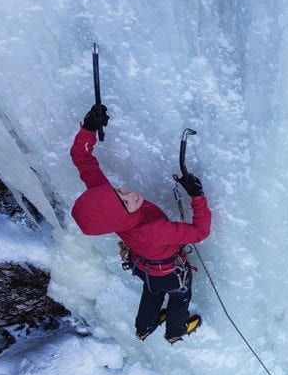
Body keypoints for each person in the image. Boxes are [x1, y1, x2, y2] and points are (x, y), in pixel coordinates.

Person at [70, 104, 212, 344]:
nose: (129, 194)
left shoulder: (107, 207)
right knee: (180, 295)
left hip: (143, 267)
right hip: (169, 272)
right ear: (121, 216)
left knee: (152, 290)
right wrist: (197, 197)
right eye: (125, 202)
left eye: (119, 191)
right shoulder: (153, 231)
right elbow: (200, 232)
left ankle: (144, 327)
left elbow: (82, 160)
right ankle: (176, 330)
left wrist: (88, 128)